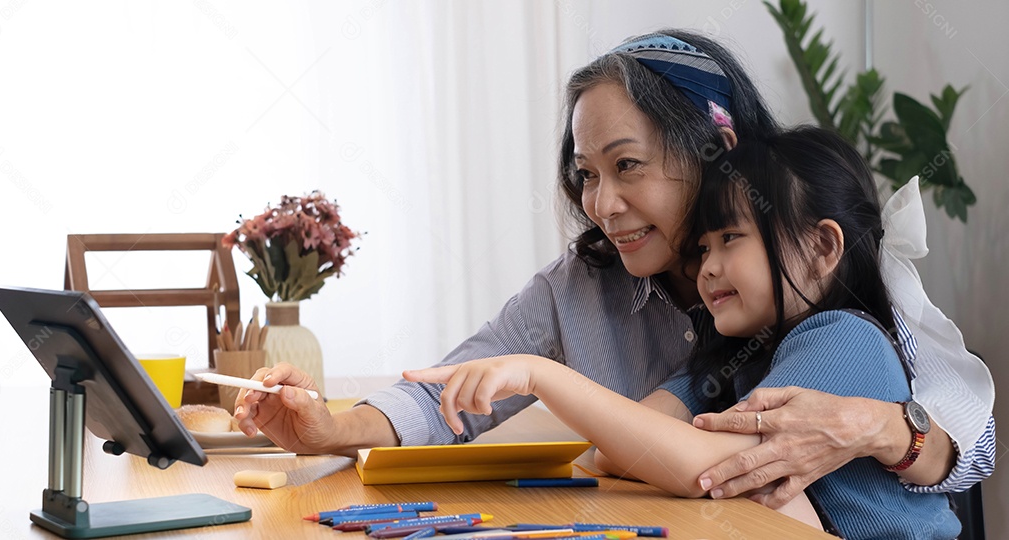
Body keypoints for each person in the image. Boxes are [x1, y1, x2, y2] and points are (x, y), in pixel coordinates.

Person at [234, 30, 994, 509]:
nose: (602, 203)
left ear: (714, 150)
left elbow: (976, 443)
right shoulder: (600, 290)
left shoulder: (830, 305)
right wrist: (331, 429)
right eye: (586, 174)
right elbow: (458, 389)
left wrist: (884, 429)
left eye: (626, 166)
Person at [405, 126, 961, 538]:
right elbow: (619, 449)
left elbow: (706, 467)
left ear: (822, 248)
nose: (707, 267)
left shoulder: (844, 340)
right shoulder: (738, 357)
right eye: (702, 247)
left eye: (730, 239)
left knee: (758, 494)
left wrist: (539, 374)